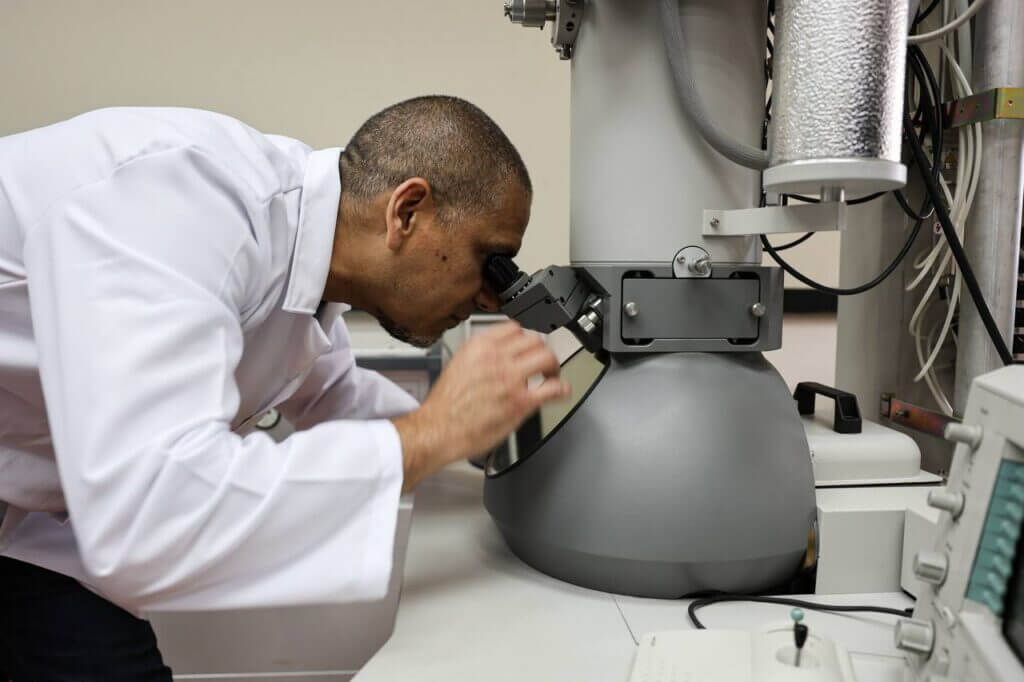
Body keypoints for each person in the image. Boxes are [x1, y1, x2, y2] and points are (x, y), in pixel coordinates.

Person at [0, 96, 570, 680]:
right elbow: (150, 510)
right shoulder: (182, 204)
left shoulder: (304, 242)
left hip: (40, 510)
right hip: (78, 512)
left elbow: (335, 396)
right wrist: (431, 434)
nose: (489, 297)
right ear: (407, 211)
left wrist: (483, 437)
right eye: (491, 260)